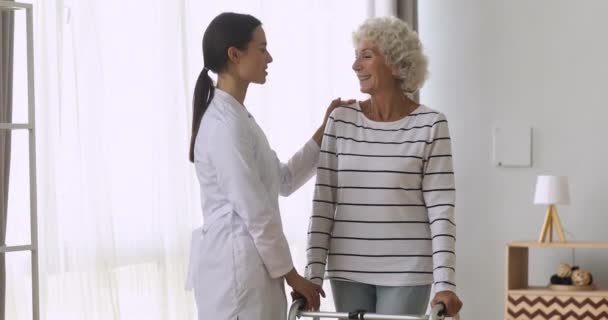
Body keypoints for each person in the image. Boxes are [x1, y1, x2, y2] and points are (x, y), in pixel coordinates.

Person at [184, 12, 354, 320]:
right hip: (235, 278)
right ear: (235, 55)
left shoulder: (239, 119)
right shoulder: (224, 126)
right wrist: (293, 276)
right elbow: (256, 212)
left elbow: (283, 179)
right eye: (262, 49)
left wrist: (324, 129)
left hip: (250, 273)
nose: (270, 57)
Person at [305, 16, 463, 317]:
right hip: (347, 269)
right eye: (356, 57)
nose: (356, 66)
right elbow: (323, 204)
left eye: (366, 56)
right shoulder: (340, 120)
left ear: (395, 62)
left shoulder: (431, 124)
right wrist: (313, 275)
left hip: (407, 271)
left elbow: (441, 210)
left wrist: (446, 283)